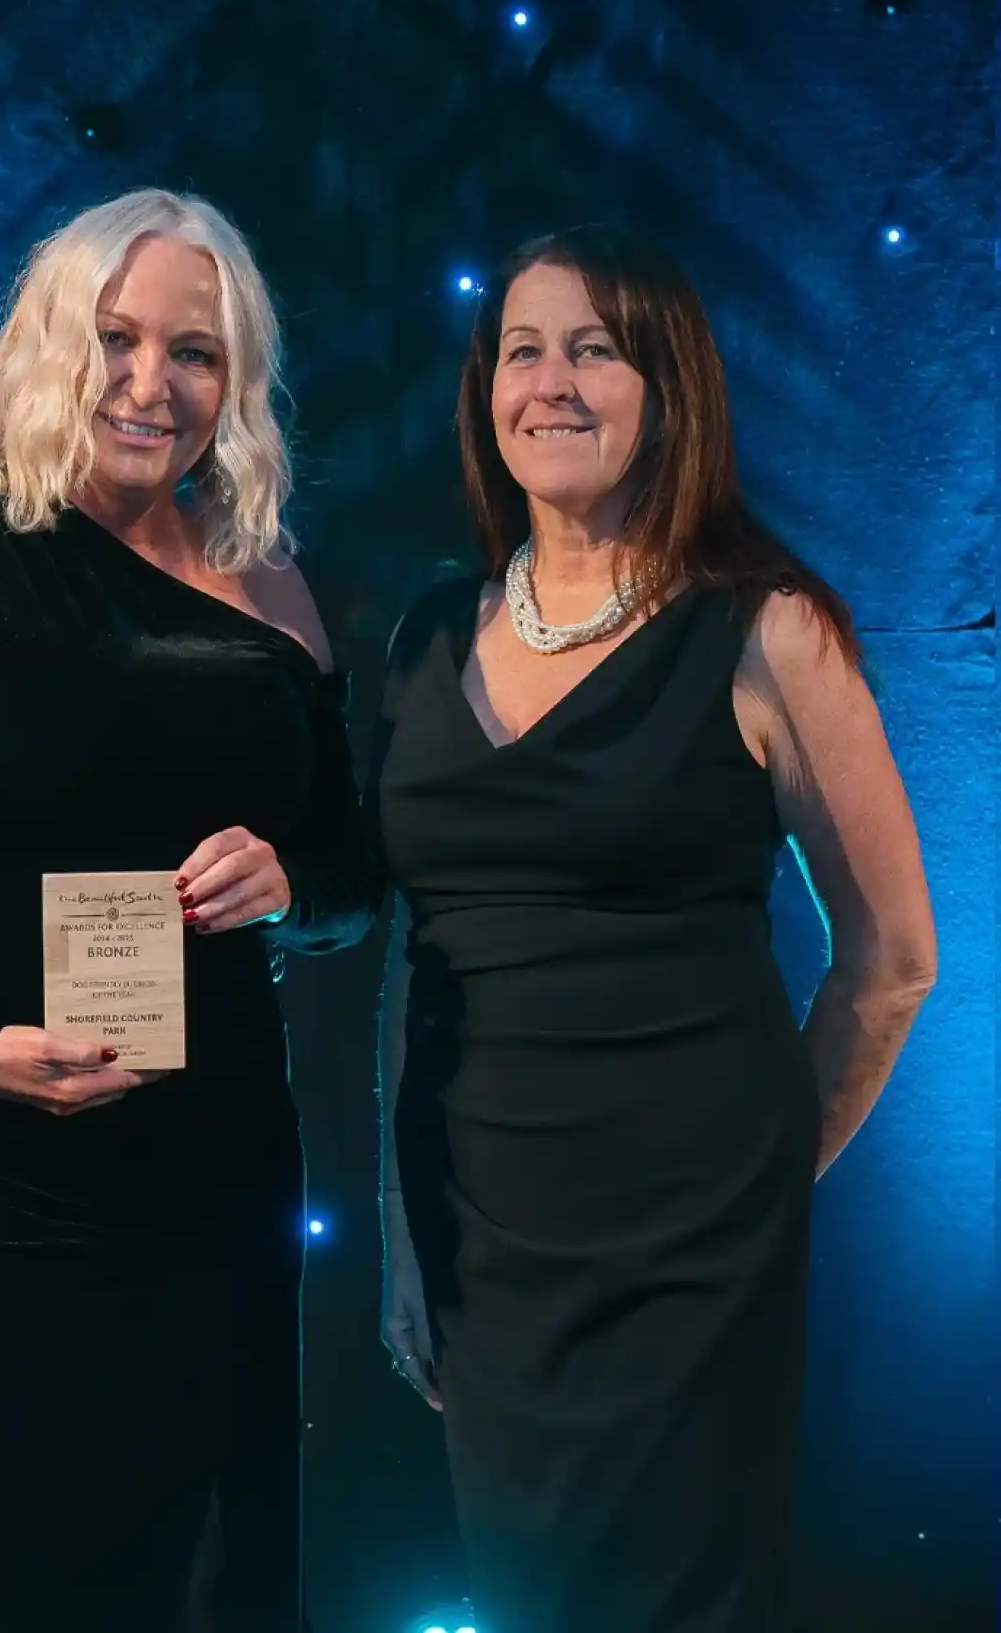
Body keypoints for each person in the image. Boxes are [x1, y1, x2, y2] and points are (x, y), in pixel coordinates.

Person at [0, 188, 375, 1633]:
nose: (151, 384)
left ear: (239, 381)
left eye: (196, 352)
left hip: (220, 1175)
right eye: (115, 338)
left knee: (224, 1585)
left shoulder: (277, 587)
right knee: (47, 1592)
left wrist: (293, 886)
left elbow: (355, 880)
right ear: (48, 340)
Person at [370, 226, 937, 1632]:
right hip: (486, 1249)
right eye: (523, 350)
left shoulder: (767, 631)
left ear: (669, 385)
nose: (551, 384)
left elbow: (893, 959)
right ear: (485, 392)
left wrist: (755, 1186)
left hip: (693, 1265)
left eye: (596, 349)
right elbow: (410, 943)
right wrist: (397, 1221)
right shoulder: (424, 637)